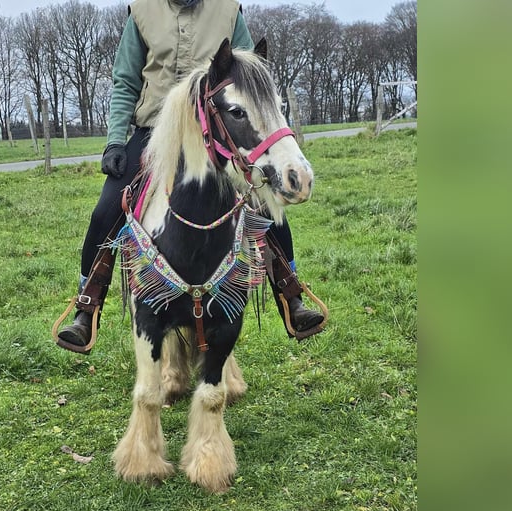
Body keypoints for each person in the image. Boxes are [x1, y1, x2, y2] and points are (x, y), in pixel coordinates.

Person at [57, 0, 324, 353]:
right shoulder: (141, 11)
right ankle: (86, 306)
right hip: (156, 128)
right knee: (106, 208)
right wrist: (115, 143)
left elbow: (247, 72)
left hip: (215, 129)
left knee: (263, 199)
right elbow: (124, 81)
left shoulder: (228, 10)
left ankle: (290, 295)